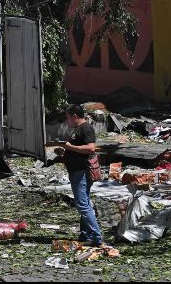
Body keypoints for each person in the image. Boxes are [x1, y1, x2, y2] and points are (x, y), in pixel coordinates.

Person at [56, 104, 103, 246]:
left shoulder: (86, 128)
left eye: (68, 117)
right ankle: (85, 234)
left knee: (82, 204)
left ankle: (96, 236)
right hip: (76, 171)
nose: (67, 120)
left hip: (81, 172)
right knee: (85, 202)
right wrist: (65, 152)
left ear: (75, 116)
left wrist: (70, 147)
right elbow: (78, 149)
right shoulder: (77, 129)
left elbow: (90, 148)